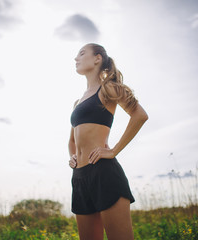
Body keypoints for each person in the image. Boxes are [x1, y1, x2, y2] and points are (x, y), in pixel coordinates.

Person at [68, 43, 148, 240]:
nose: (76, 58)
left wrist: (114, 151)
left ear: (97, 59)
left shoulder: (108, 88)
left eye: (82, 53)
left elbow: (139, 115)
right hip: (80, 178)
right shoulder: (77, 102)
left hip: (104, 173)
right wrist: (73, 157)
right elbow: (71, 141)